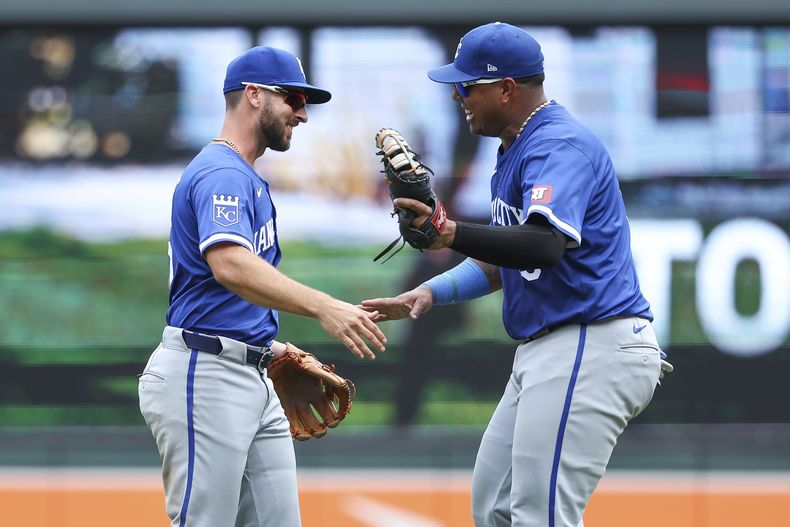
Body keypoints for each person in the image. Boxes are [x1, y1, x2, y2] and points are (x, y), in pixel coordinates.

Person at [362, 22, 665, 527]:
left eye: (468, 85)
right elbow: (509, 257)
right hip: (553, 348)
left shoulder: (557, 144)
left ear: (506, 88)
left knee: (539, 516)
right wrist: (430, 293)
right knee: (495, 507)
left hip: (589, 343)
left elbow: (544, 245)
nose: (459, 96)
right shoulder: (514, 149)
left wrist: (447, 229)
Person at [138, 46, 387, 527]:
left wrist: (267, 346)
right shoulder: (222, 173)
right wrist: (322, 307)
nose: (302, 113)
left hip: (248, 371)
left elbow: (215, 291)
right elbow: (229, 265)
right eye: (292, 97)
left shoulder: (242, 175)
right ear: (253, 95)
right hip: (205, 375)